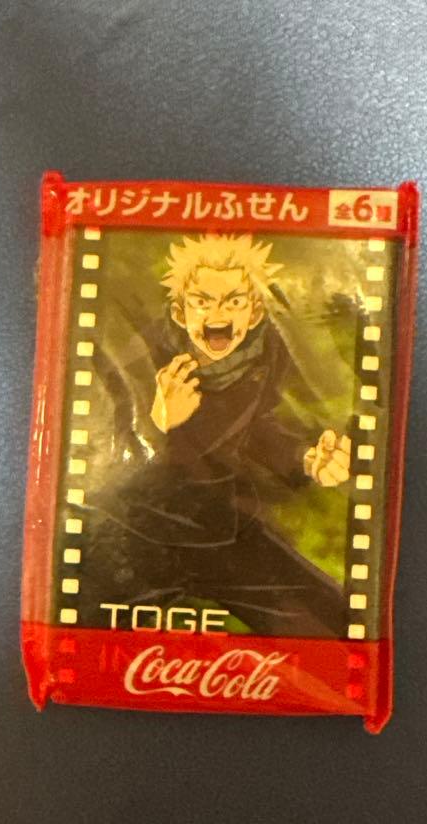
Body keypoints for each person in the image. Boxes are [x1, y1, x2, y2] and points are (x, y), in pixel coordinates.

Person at [81, 234, 351, 638]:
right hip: (136, 533)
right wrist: (159, 425)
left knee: (336, 624)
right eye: (203, 301)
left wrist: (305, 459)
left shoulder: (263, 356)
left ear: (254, 312)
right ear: (181, 310)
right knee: (78, 626)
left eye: (235, 301)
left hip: (221, 526)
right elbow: (101, 445)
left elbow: (256, 428)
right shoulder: (140, 357)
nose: (218, 314)